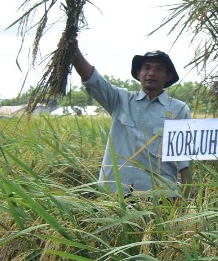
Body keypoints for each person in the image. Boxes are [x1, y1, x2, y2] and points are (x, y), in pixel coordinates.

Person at [69, 40, 191, 194]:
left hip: (159, 194)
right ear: (139, 73)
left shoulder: (179, 110)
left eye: (159, 69)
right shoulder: (120, 99)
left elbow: (184, 158)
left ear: (168, 76)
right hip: (115, 191)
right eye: (146, 68)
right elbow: (94, 81)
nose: (151, 73)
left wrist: (187, 197)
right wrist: (74, 53)